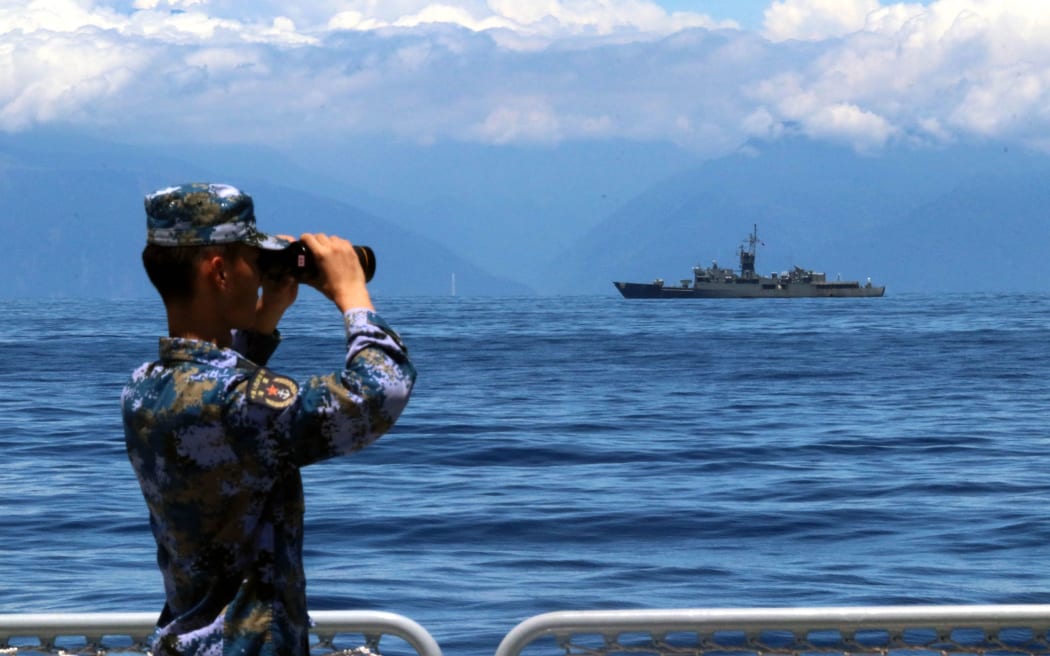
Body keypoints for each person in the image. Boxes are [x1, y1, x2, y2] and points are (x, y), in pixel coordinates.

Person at [121, 182, 416, 656]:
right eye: (251, 260)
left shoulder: (143, 387)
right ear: (218, 271)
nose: (259, 274)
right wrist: (353, 296)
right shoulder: (236, 405)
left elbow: (220, 407)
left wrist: (262, 321)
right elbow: (379, 392)